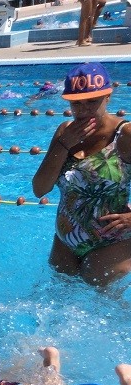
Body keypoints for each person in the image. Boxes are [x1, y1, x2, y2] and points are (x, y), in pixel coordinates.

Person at [32, 63, 131, 285]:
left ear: (108, 96)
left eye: (92, 102)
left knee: (106, 312)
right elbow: (39, 189)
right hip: (65, 244)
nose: (84, 110)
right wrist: (63, 145)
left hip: (112, 243)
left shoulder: (124, 136)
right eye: (76, 104)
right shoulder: (64, 131)